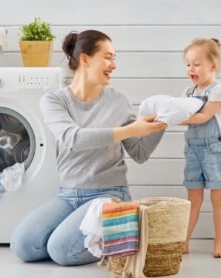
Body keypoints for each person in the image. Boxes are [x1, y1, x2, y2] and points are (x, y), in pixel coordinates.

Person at [10, 30, 166, 266]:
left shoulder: (119, 101)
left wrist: (161, 124)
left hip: (109, 195)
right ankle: (114, 235)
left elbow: (139, 153)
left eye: (114, 58)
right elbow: (73, 139)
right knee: (23, 246)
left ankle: (119, 228)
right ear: (85, 59)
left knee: (61, 252)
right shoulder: (54, 101)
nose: (113, 65)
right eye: (108, 57)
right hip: (68, 195)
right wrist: (131, 129)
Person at [180, 38, 221, 258]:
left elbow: (202, 117)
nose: (191, 68)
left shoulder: (218, 91)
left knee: (218, 198)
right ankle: (184, 242)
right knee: (193, 199)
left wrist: (175, 119)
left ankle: (218, 244)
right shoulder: (189, 92)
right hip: (193, 149)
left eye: (196, 63)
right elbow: (186, 113)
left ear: (213, 66)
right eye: (188, 64)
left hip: (215, 149)